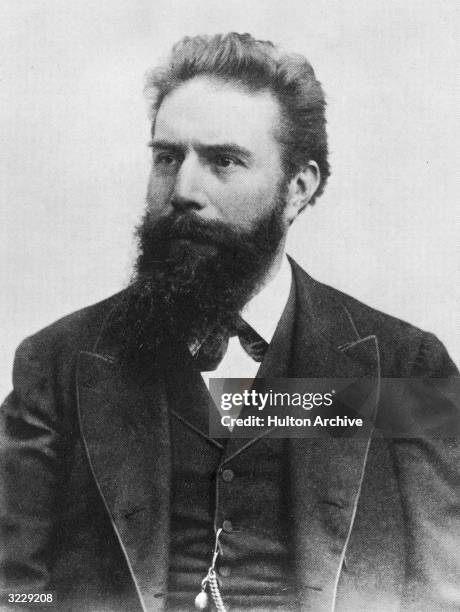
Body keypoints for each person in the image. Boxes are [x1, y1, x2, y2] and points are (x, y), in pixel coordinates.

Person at [1, 33, 458, 612]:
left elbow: (446, 591)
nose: (184, 191)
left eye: (224, 162)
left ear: (298, 188)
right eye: (167, 158)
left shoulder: (405, 367)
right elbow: (14, 589)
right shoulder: (57, 365)